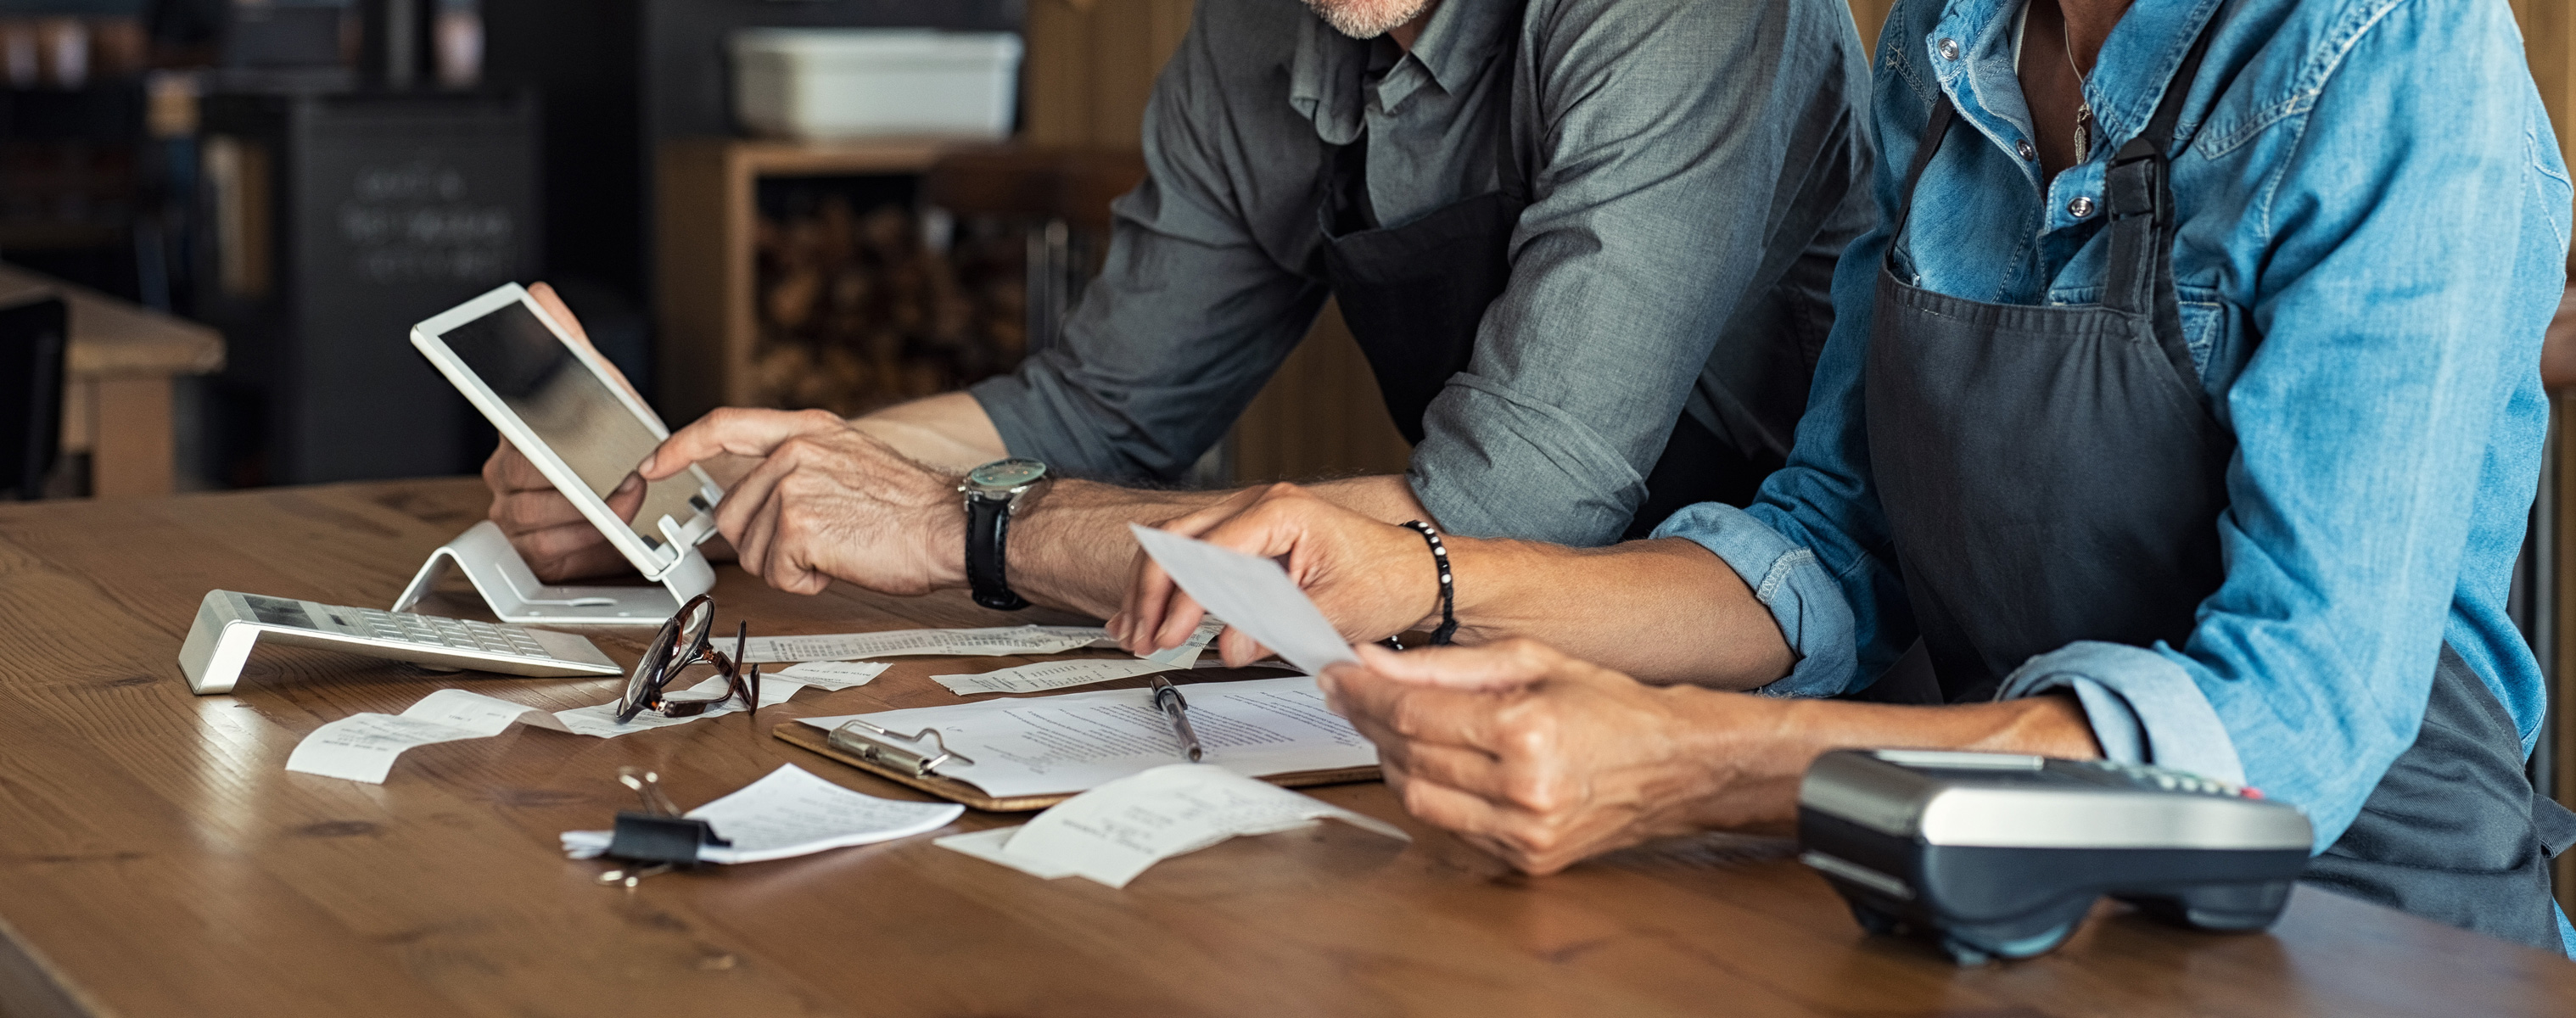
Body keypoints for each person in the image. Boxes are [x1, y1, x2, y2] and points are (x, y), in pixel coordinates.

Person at [1112, 0, 2576, 958]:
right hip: (2003, 903)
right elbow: (1831, 540)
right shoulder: (1945, 43)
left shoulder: (2403, 56)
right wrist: (1429, 582)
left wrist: (1698, 765)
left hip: (2364, 935)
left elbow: (2302, 716)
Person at [482, 0, 1874, 618]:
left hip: (1778, 661)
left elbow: (1514, 507)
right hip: (1458, 661)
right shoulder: (1258, 32)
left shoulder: (1684, 8)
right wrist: (711, 492)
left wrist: (953, 525)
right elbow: (1100, 405)